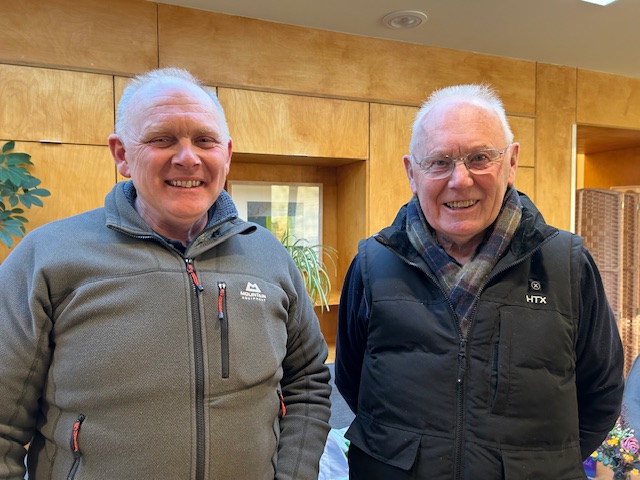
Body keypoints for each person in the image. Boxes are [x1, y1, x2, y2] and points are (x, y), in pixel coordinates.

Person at [0, 67, 331, 479]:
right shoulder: (47, 257)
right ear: (122, 154)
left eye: (205, 140)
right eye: (162, 139)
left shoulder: (269, 256)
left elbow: (307, 384)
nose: (188, 157)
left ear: (227, 154)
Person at [335, 84, 624, 479]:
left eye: (479, 158)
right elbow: (352, 381)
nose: (460, 179)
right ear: (412, 172)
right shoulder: (373, 264)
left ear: (512, 162)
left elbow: (601, 395)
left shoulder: (567, 265)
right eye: (439, 162)